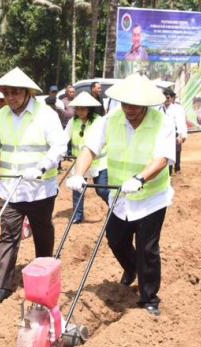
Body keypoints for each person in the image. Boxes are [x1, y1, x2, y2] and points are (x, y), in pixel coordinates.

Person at [66, 74, 174, 316]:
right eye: (126, 104)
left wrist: (140, 178)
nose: (130, 110)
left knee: (148, 247)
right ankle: (132, 267)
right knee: (115, 238)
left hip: (151, 197)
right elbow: (90, 148)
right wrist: (79, 173)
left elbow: (162, 158)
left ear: (146, 104)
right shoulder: (110, 120)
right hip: (120, 197)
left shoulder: (161, 122)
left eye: (135, 105)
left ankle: (149, 297)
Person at [0, 67, 68, 304]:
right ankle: (3, 285)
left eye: (15, 93)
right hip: (10, 188)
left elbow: (59, 147)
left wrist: (40, 167)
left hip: (40, 188)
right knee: (8, 234)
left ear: (27, 92)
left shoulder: (46, 115)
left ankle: (44, 273)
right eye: (6, 93)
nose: (10, 98)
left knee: (42, 231)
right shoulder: (0, 117)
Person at [65, 91, 109, 224]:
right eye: (77, 108)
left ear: (89, 108)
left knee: (101, 190)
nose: (80, 111)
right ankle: (77, 215)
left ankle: (115, 206)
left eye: (83, 108)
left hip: (98, 162)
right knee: (77, 189)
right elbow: (64, 138)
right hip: (79, 161)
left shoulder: (100, 121)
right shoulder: (73, 121)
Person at [162, 88, 187, 175]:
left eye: (168, 97)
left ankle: (177, 168)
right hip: (162, 135)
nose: (166, 99)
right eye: (164, 97)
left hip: (174, 134)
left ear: (172, 98)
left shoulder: (177, 109)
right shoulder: (159, 108)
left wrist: (181, 134)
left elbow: (181, 122)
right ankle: (167, 171)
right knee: (164, 153)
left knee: (176, 151)